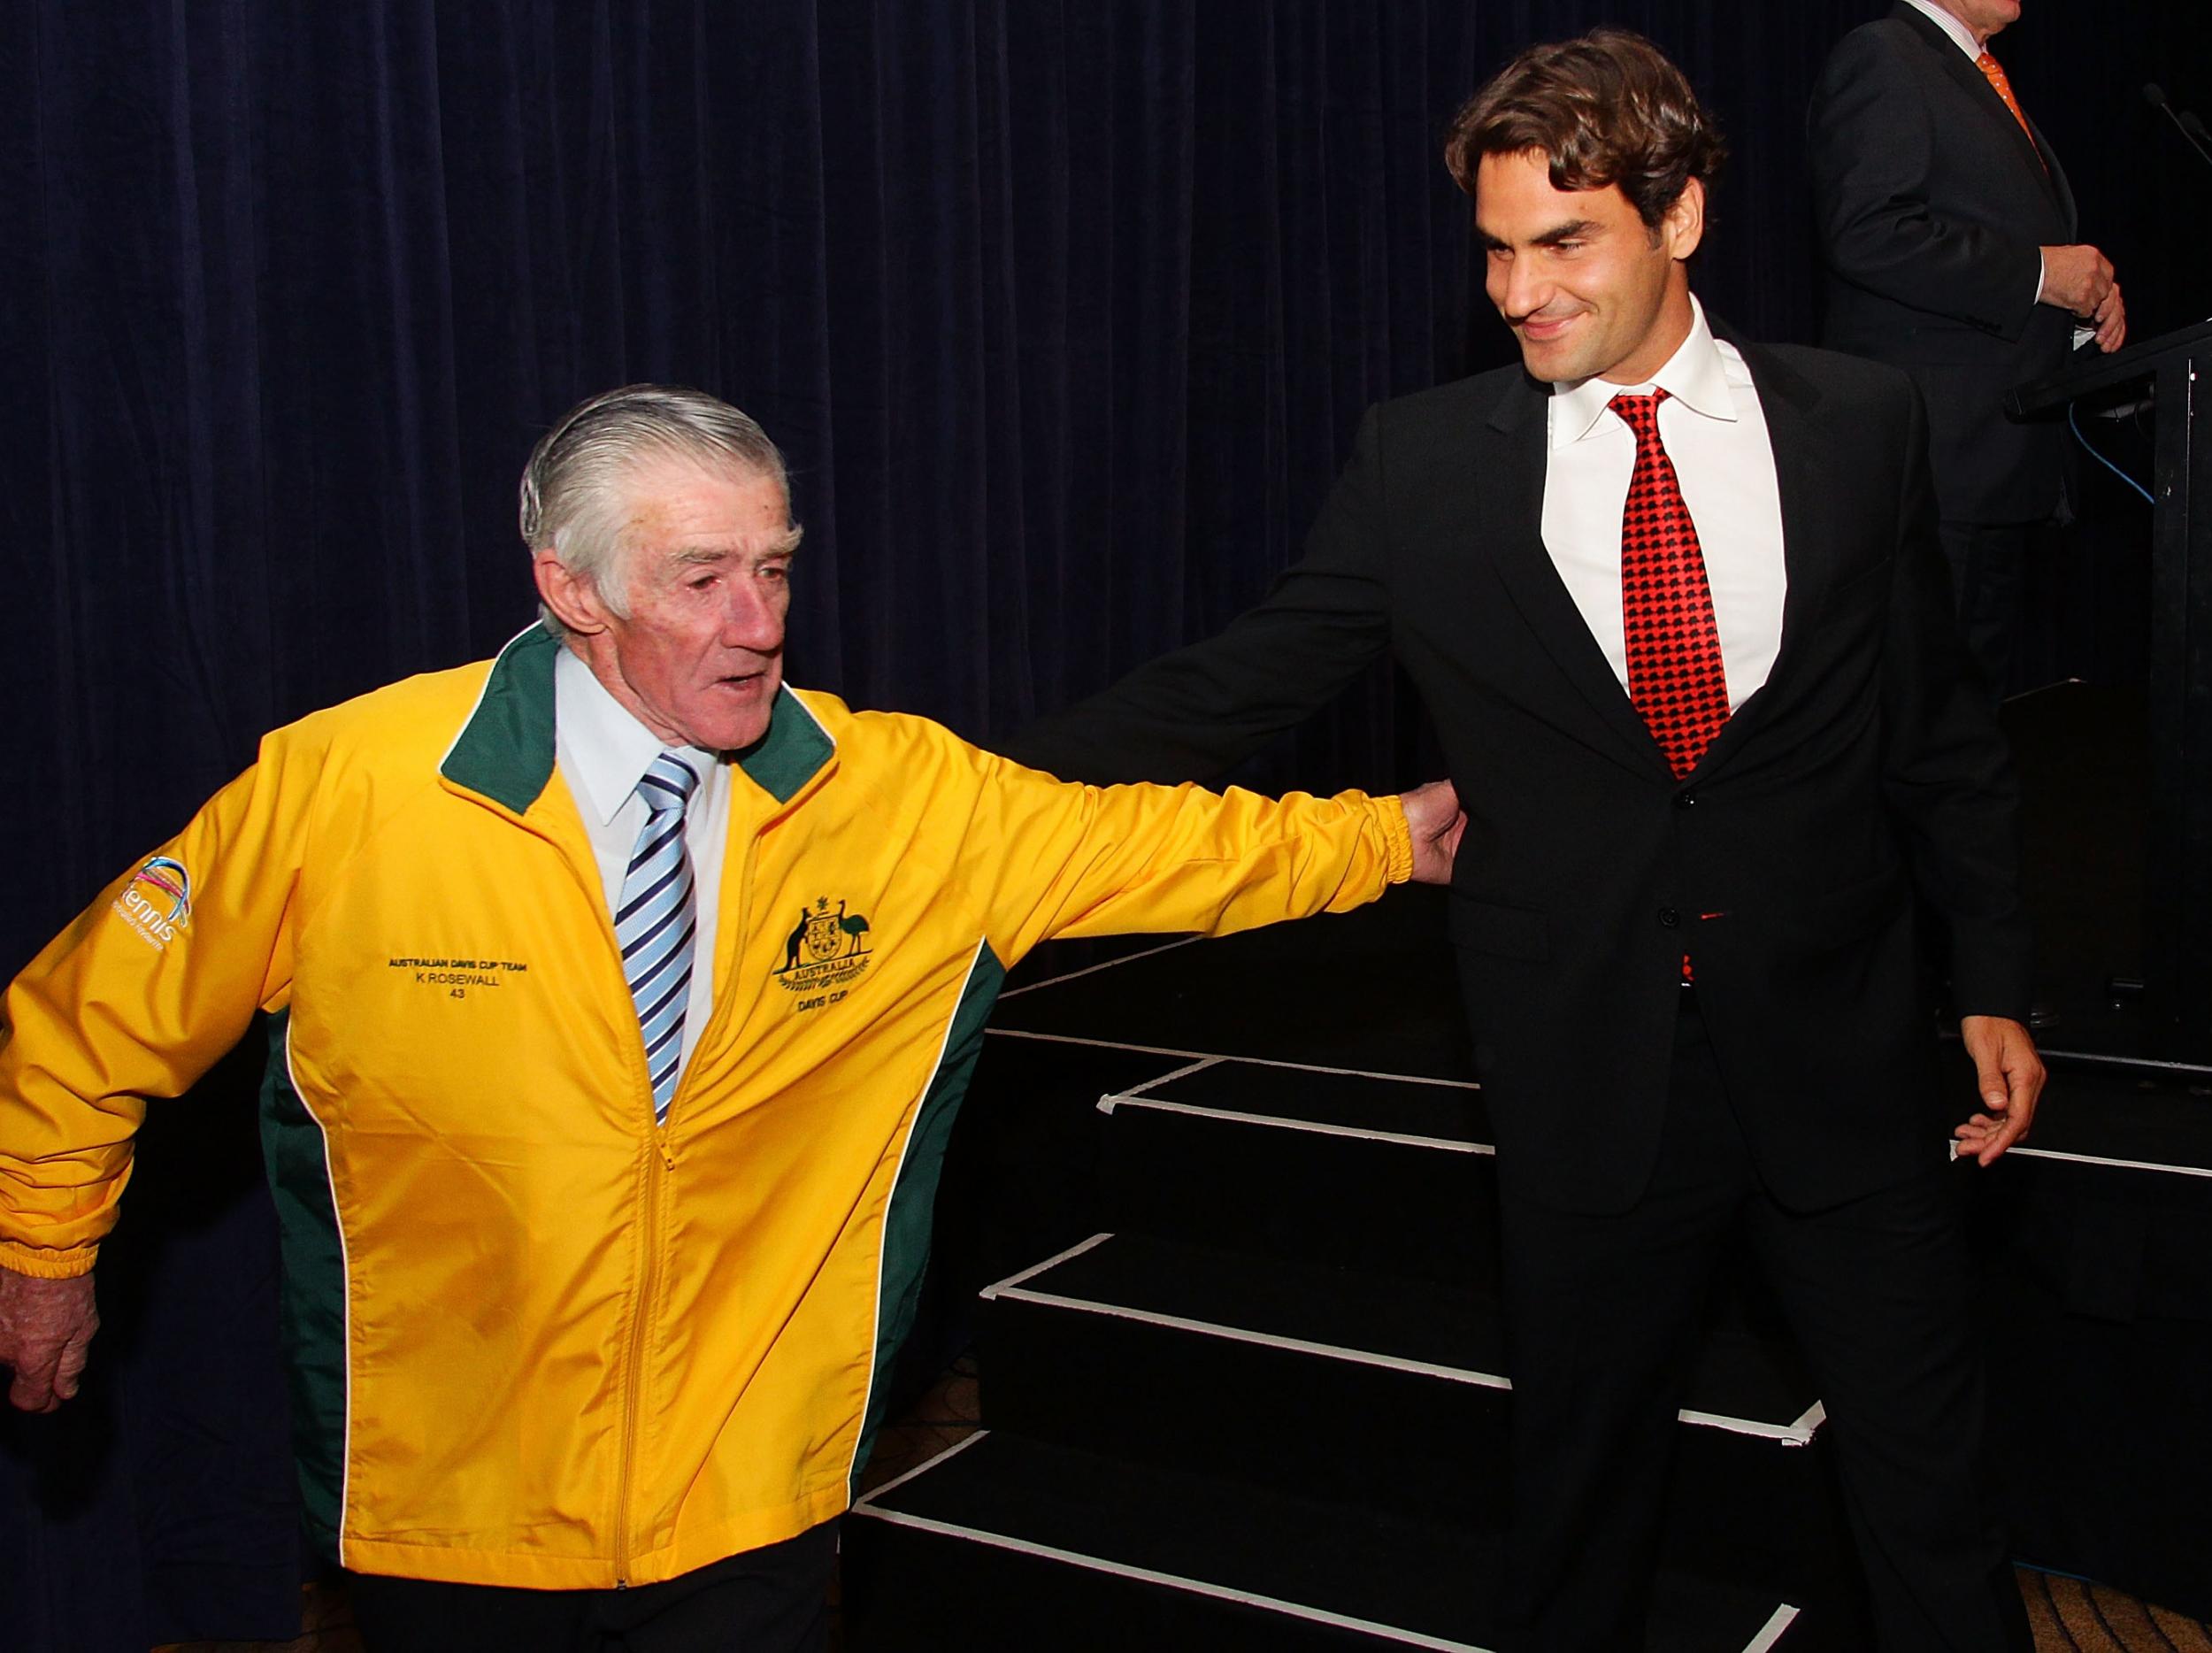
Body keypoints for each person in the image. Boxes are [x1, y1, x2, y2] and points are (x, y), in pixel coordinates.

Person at [0, 384, 1464, 1652]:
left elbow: (1159, 845)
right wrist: (42, 1255)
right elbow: (83, 1026)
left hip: (752, 1485)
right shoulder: (353, 790)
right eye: (703, 578)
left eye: (775, 567)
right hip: (454, 1496)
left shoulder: (896, 795)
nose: (759, 623)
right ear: (571, 586)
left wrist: (1391, 835)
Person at [1000, 30, 2044, 1652]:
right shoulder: (1428, 469)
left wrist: (1994, 974)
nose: (1516, 289)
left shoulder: (1862, 422)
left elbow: (1941, 734)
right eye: (1496, 248)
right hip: (1584, 1071)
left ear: (1681, 216)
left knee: (1931, 1494)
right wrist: (926, 778)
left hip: (1843, 1059)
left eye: (1564, 243)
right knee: (1580, 1502)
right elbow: (1238, 685)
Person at [1809, 0, 2125, 701]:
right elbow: (1868, 231)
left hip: (1999, 461)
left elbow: (1998, 234)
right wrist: (2043, 274)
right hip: (1935, 464)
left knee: (1968, 723)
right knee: (1926, 726)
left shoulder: (1976, 72)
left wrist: (2082, 303)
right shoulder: (1886, 54)